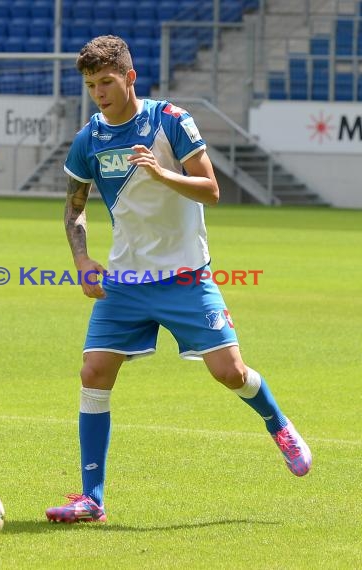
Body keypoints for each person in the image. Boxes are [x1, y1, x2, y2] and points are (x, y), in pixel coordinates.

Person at [46, 35, 312, 524]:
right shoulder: (89, 139)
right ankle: (92, 498)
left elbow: (211, 189)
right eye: (90, 85)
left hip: (186, 274)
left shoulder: (170, 120)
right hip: (126, 279)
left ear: (129, 77)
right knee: (93, 373)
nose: (99, 93)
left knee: (229, 372)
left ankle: (279, 424)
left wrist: (160, 173)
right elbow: (75, 207)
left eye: (106, 81)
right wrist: (82, 260)